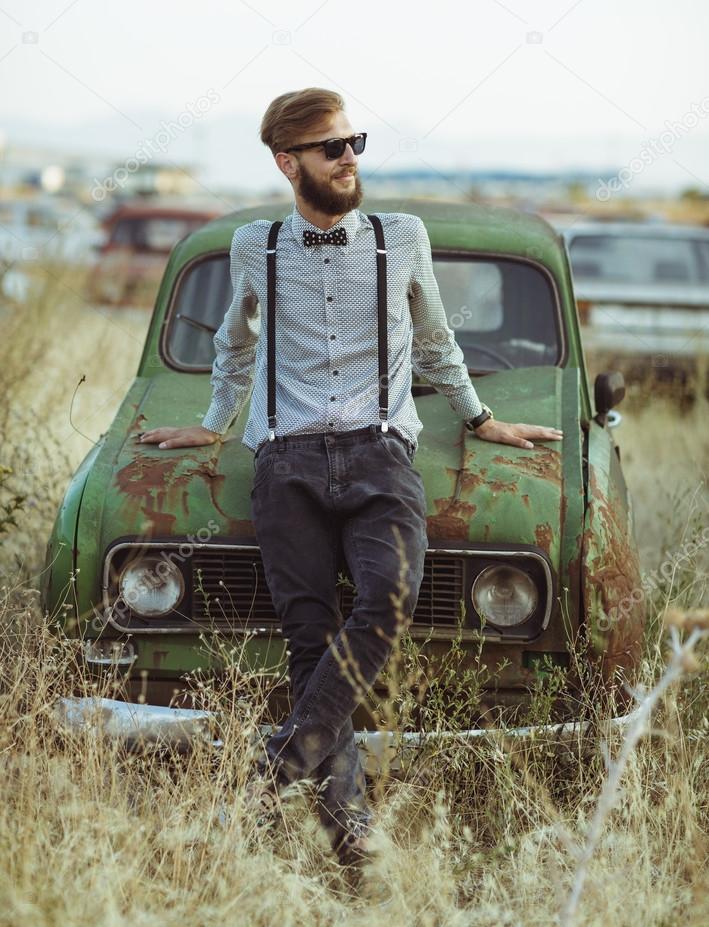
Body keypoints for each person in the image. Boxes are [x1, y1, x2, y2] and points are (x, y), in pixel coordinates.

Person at [138, 87, 563, 865]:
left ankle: (274, 772)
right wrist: (215, 419)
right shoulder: (253, 247)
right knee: (308, 636)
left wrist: (478, 419)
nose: (348, 158)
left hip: (379, 453)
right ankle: (351, 831)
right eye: (330, 147)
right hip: (287, 459)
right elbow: (233, 343)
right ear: (286, 161)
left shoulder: (401, 237)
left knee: (389, 598)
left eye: (353, 142)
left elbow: (434, 339)